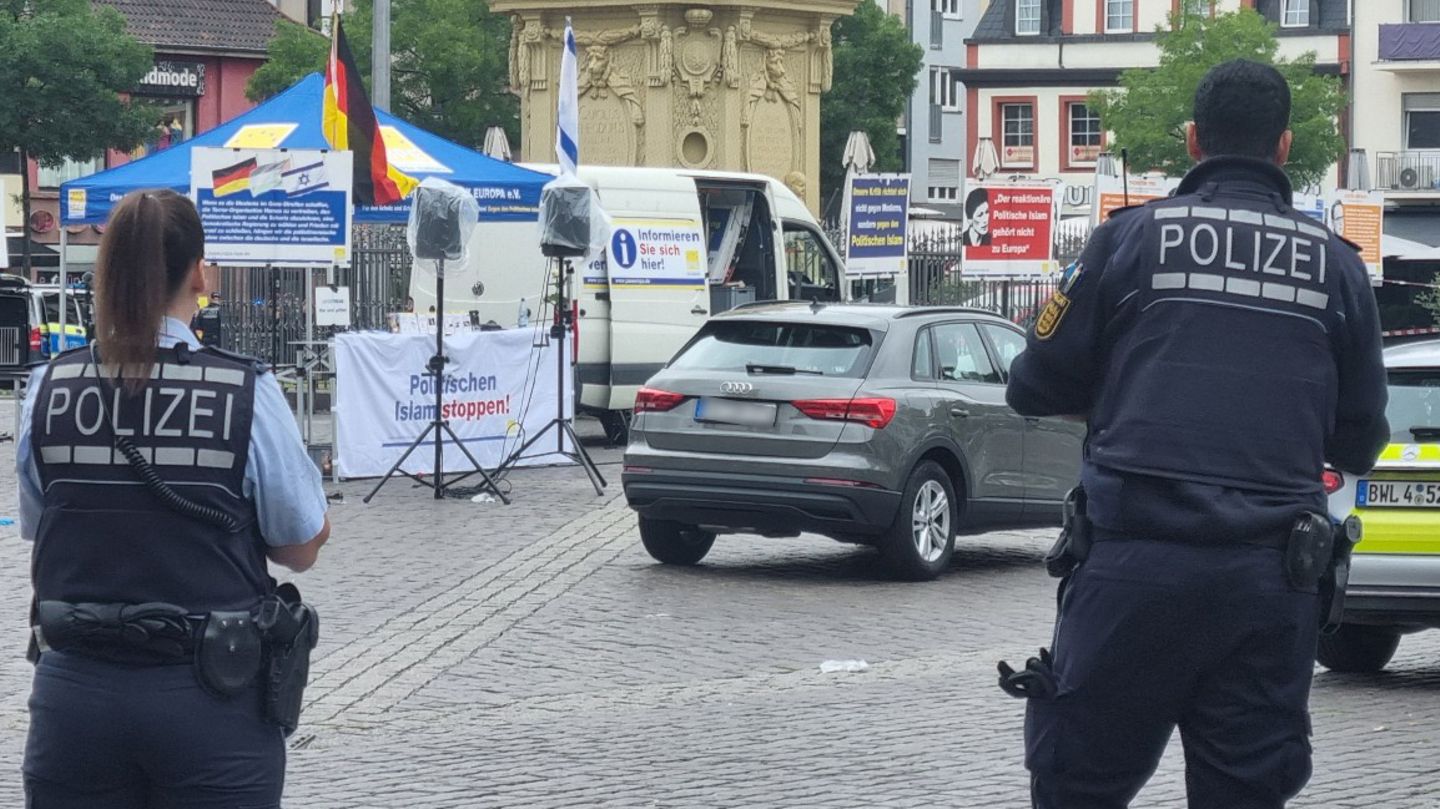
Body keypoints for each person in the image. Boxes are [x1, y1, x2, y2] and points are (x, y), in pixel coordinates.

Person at [1004, 60, 1388, 808]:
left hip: (1130, 573)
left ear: (1190, 140)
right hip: (1268, 583)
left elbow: (1032, 383)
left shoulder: (1126, 243)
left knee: (1078, 786)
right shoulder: (1339, 272)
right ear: (1283, 146)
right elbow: (1359, 443)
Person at [16, 189, 331, 808]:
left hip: (74, 699)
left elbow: (41, 524)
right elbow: (300, 548)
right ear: (199, 272)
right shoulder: (246, 391)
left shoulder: (47, 388)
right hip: (211, 700)